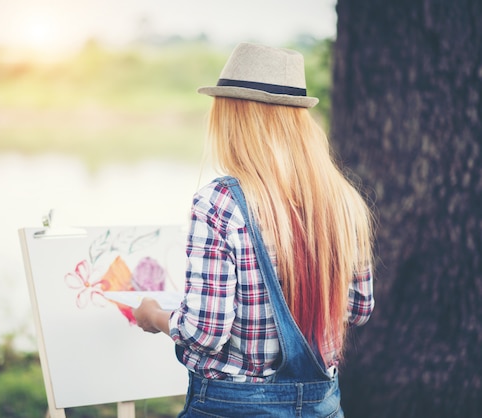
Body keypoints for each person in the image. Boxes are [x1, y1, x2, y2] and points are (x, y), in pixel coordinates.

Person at [132, 42, 375, 417]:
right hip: (322, 405)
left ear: (234, 119)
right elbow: (359, 307)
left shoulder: (220, 203)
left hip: (234, 406)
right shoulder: (341, 199)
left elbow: (205, 333)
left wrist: (154, 316)